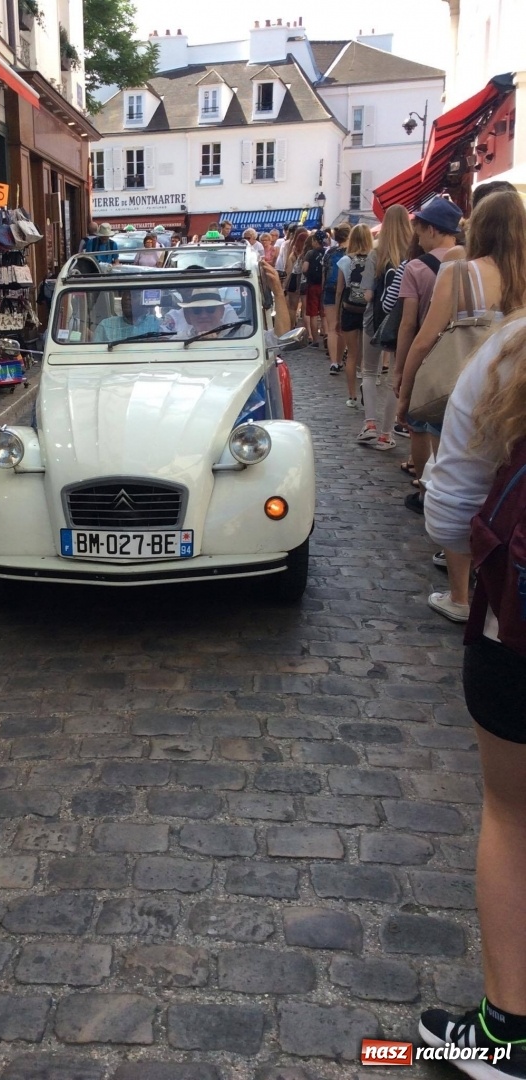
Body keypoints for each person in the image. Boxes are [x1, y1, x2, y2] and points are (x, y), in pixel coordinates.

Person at [419, 312, 526, 1080]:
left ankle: (505, 1031)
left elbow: (452, 508)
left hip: (517, 634)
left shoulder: (512, 350)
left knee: (514, 816)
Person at [398, 190, 526, 622]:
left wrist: (405, 387)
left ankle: (459, 593)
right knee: (505, 478)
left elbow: (426, 336)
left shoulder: (459, 272)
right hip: (514, 391)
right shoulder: (523, 276)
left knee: (451, 470)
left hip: (460, 386)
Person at [392, 196, 462, 510]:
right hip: (465, 355)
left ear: (432, 230)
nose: (418, 239)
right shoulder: (475, 263)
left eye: (420, 231)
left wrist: (400, 369)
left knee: (420, 425)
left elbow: (409, 325)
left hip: (429, 356)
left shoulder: (417, 267)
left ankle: (424, 494)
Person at [356, 204, 412, 449]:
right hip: (402, 322)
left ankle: (370, 424)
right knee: (394, 379)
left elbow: (368, 295)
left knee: (369, 371)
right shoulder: (413, 254)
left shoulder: (376, 253)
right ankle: (386, 434)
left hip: (374, 320)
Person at [335, 224, 373, 407]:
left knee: (351, 354)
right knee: (367, 356)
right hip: (369, 311)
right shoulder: (375, 258)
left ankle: (352, 396)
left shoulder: (345, 260)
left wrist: (336, 316)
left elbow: (339, 290)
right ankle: (367, 390)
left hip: (350, 309)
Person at [323, 224, 349, 374]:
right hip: (346, 291)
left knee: (332, 328)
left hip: (329, 290)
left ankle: (333, 362)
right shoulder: (352, 252)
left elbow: (324, 274)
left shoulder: (329, 252)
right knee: (343, 328)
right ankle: (339, 359)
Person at [94, 289, 161, 342]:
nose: (127, 298)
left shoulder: (156, 324)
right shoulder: (106, 326)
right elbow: (94, 354)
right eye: (124, 294)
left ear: (143, 301)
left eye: (133, 295)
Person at [302, 230, 327, 348]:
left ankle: (315, 340)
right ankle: (326, 336)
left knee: (313, 314)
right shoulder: (328, 252)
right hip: (324, 286)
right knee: (324, 314)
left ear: (315, 241)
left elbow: (305, 269)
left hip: (312, 285)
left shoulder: (310, 253)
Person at [283, 227, 310, 328]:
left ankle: (292, 327)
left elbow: (288, 268)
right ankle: (307, 332)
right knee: (305, 309)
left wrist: (285, 284)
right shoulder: (309, 253)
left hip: (294, 281)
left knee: (292, 307)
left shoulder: (292, 251)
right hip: (305, 282)